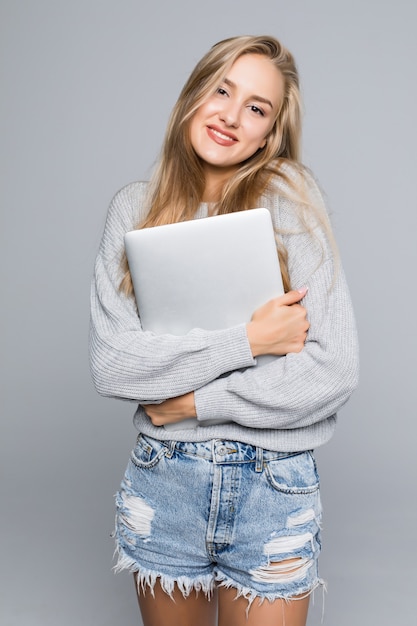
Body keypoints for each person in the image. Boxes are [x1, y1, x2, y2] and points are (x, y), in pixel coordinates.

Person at [89, 35, 359, 626]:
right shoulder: (132, 209)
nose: (232, 117)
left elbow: (332, 370)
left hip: (273, 487)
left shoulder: (292, 202)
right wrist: (250, 342)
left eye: (257, 109)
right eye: (222, 90)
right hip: (165, 482)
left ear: (271, 134)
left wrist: (191, 401)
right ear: (194, 95)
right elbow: (115, 365)